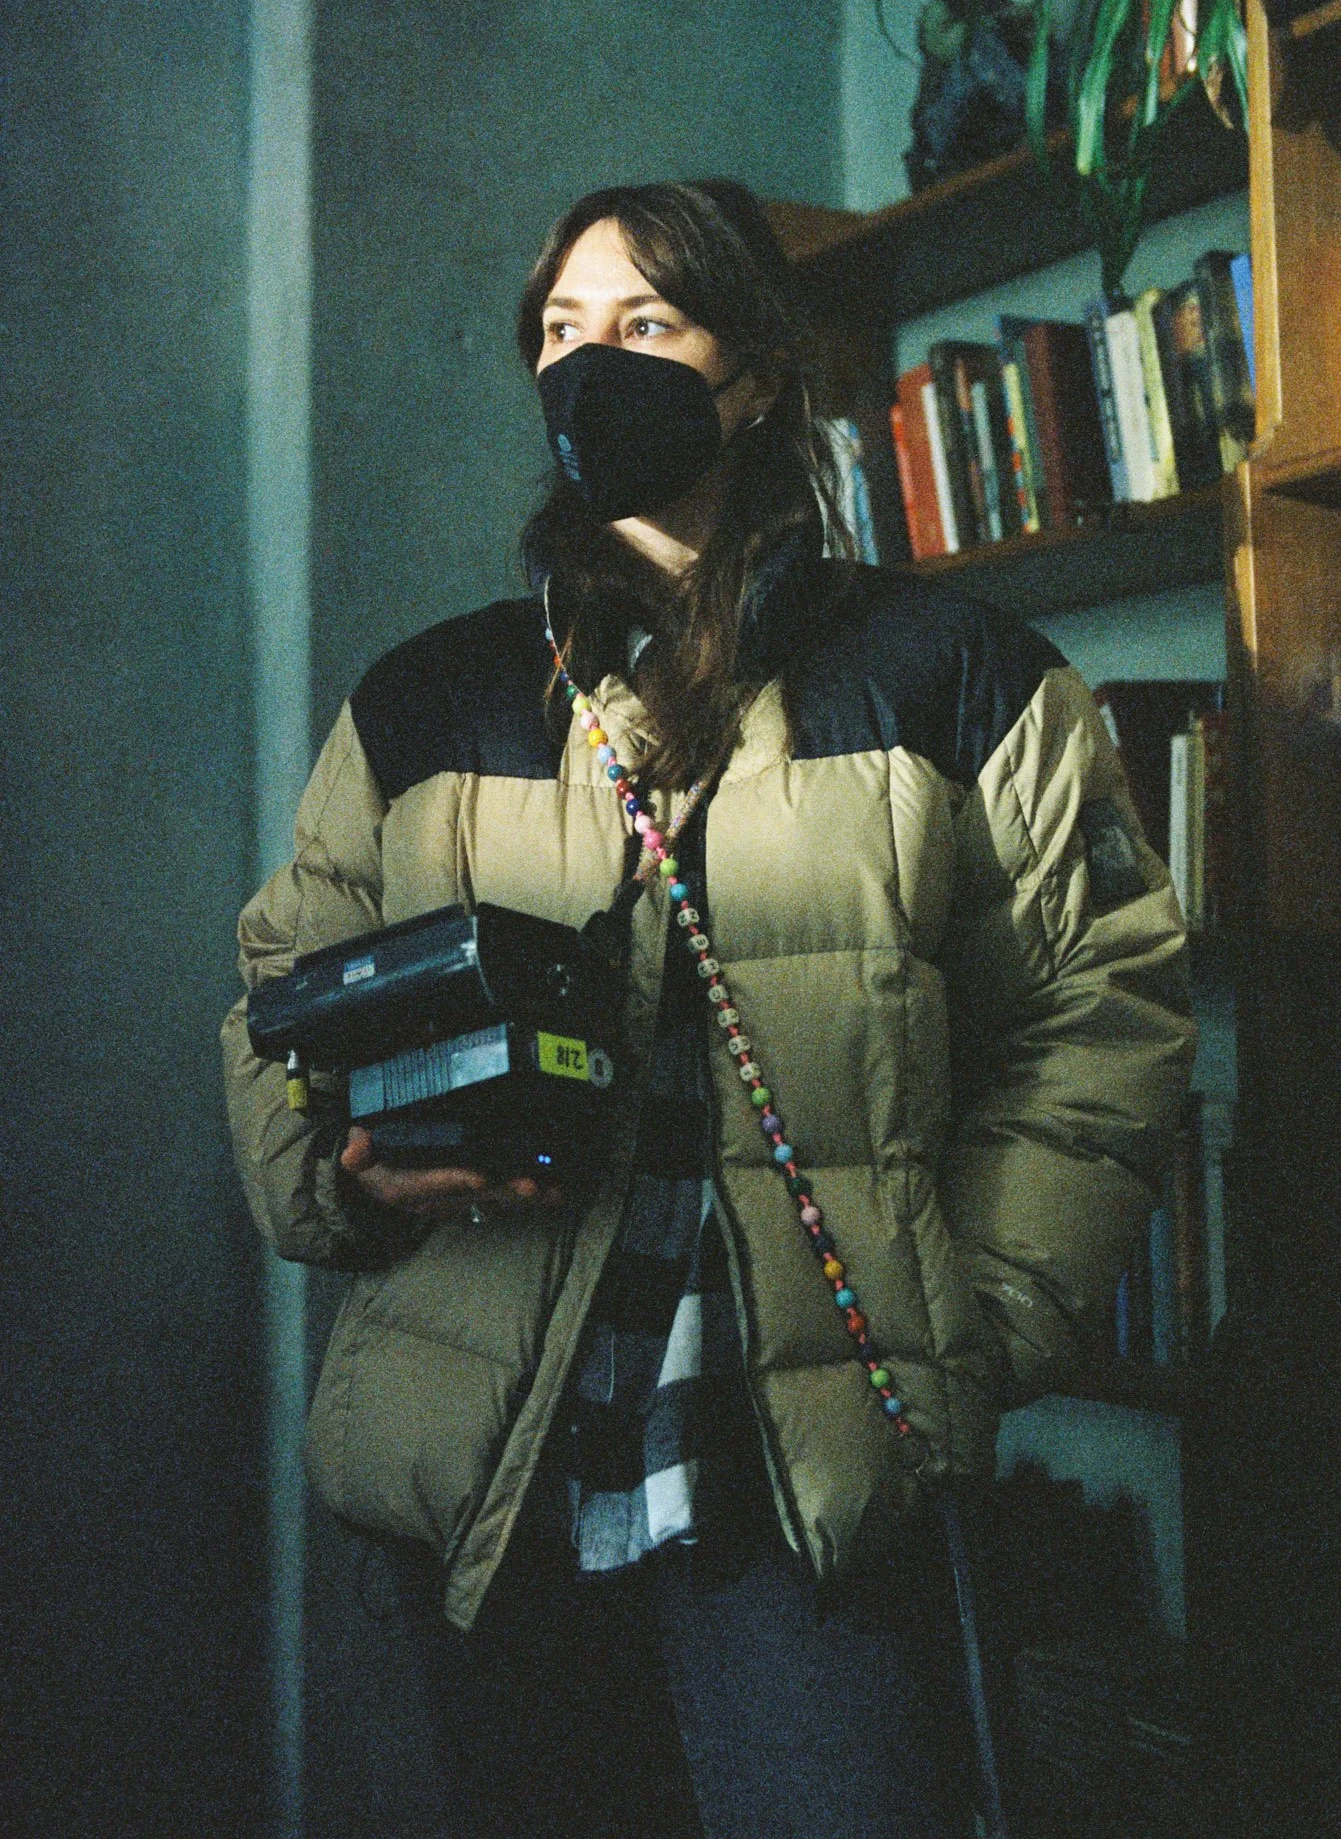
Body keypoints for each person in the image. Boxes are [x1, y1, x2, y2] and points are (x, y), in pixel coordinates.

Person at [222, 178, 1196, 1837]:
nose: (592, 365)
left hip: (809, 1487)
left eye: (647, 325)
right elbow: (277, 1000)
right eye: (559, 333)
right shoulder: (425, 697)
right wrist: (339, 1168)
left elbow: (1099, 1011)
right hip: (494, 1480)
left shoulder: (957, 674)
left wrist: (977, 1316)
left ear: (757, 372)